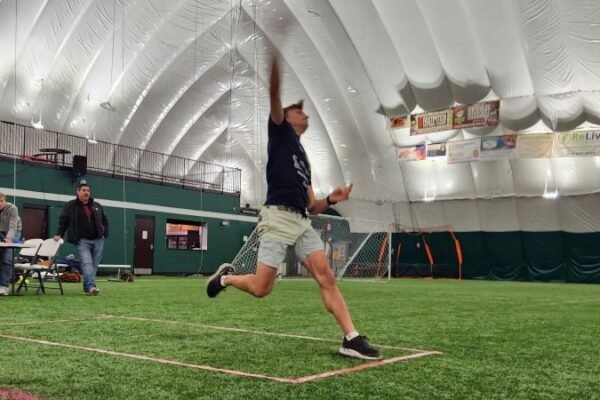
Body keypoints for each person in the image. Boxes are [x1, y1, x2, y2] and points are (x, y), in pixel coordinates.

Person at [206, 59, 381, 360]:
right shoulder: (279, 133)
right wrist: (275, 62)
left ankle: (350, 338)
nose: (305, 113)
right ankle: (225, 278)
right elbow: (274, 93)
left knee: (326, 275)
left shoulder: (303, 157)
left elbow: (312, 205)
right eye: (298, 110)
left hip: (301, 221)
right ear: (286, 118)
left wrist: (333, 199)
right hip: (276, 217)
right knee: (262, 288)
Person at [54, 180, 108, 296]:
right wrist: (59, 234)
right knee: (87, 263)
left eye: (88, 190)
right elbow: (64, 221)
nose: (86, 193)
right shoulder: (70, 205)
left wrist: (105, 233)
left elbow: (105, 220)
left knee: (94, 265)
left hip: (98, 240)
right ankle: (91, 287)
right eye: (84, 190)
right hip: (82, 240)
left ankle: (87, 287)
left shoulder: (97, 206)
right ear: (78, 192)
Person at [0, 192, 22, 296]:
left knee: (6, 257)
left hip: (14, 231)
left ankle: (4, 286)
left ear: (5, 200)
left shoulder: (12, 208)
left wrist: (9, 238)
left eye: (1, 201)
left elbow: (13, 226)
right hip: (0, 231)